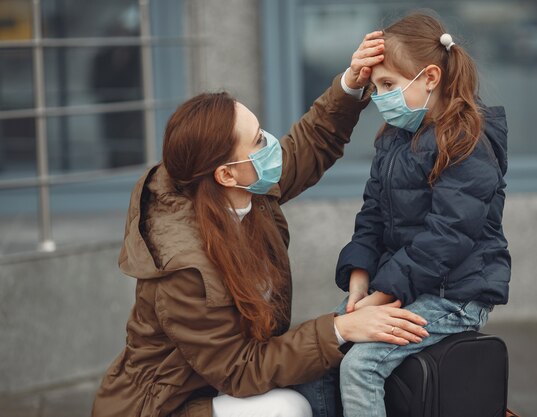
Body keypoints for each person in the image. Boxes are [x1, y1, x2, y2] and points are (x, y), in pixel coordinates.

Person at [90, 31, 430, 417]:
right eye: (257, 141)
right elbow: (240, 369)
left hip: (211, 387)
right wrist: (341, 328)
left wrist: (351, 85)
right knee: (287, 408)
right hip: (166, 408)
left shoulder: (239, 189)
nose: (270, 144)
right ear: (226, 175)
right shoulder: (184, 270)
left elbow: (309, 144)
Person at [334, 12, 511, 417]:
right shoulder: (396, 138)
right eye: (376, 87)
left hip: (456, 295)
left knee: (361, 366)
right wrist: (360, 282)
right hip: (407, 285)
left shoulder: (468, 141)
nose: (379, 98)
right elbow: (372, 214)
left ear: (430, 77)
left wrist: (381, 297)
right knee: (330, 343)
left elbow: (447, 237)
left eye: (388, 85)